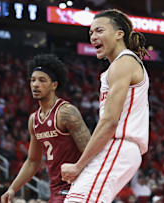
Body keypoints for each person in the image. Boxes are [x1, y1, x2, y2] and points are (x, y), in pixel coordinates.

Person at [61, 8, 150, 203]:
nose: (93, 37)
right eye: (91, 33)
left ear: (119, 34)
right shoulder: (118, 66)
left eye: (99, 31)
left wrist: (78, 165)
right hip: (117, 148)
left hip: (119, 145)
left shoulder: (123, 63)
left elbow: (110, 122)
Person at [1, 54, 91, 203]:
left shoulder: (66, 113)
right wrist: (12, 188)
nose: (35, 84)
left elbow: (91, 152)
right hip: (55, 189)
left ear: (54, 85)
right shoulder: (34, 120)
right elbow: (33, 161)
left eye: (42, 80)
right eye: (33, 80)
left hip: (76, 187)